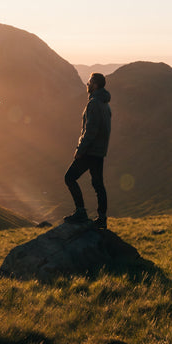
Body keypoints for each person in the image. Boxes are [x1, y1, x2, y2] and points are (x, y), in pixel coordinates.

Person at [63, 72, 112, 229]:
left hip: (89, 151)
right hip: (99, 151)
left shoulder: (94, 103)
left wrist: (80, 149)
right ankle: (102, 218)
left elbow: (90, 130)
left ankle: (80, 212)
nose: (87, 84)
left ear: (95, 85)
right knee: (98, 184)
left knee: (69, 177)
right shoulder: (105, 104)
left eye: (89, 82)